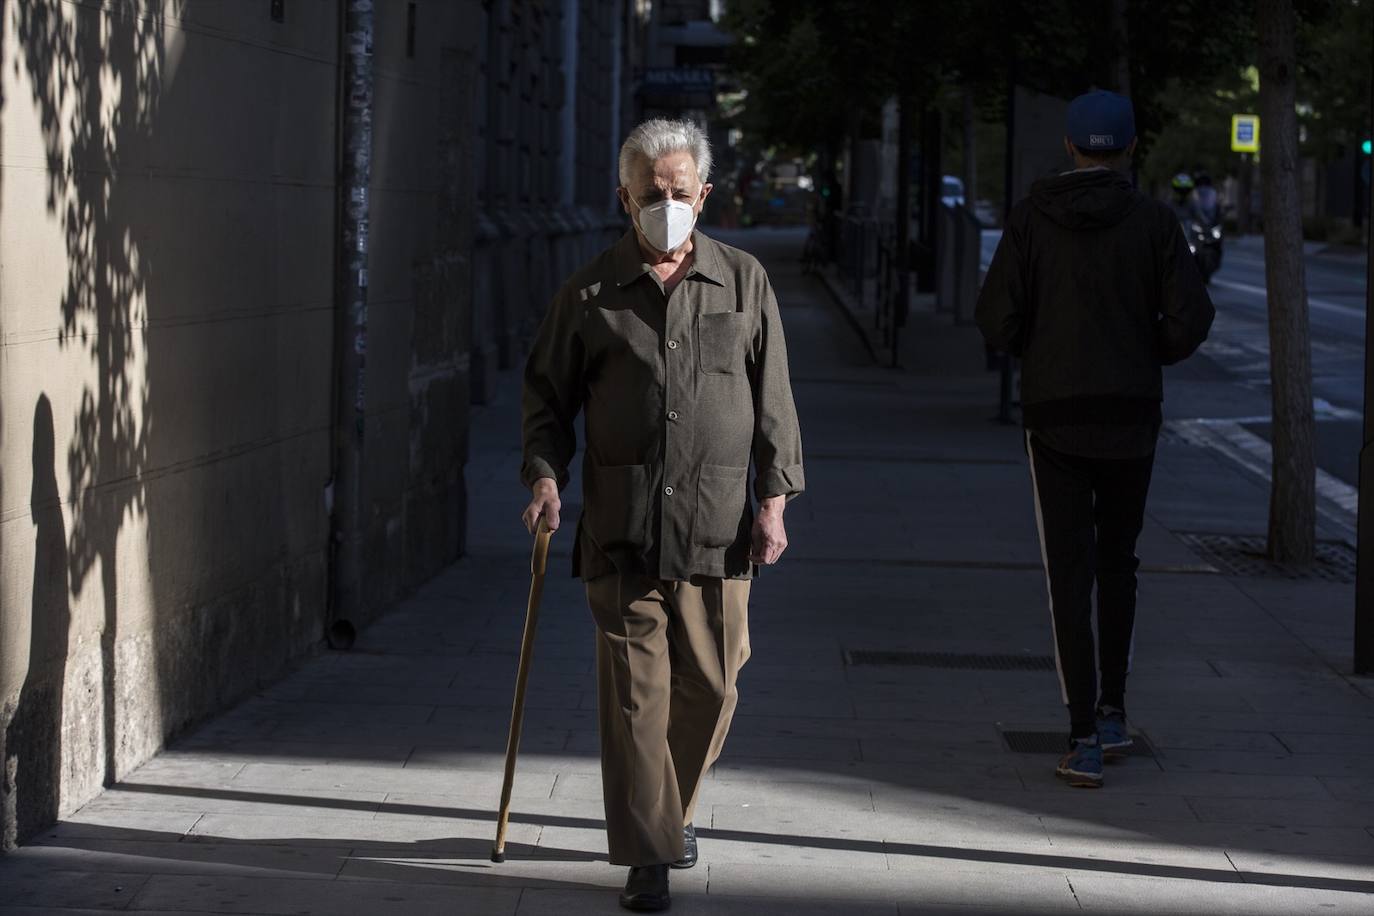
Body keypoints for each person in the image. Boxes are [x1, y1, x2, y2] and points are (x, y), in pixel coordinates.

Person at [520, 118, 805, 910]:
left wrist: (774, 499)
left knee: (713, 690)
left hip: (718, 527)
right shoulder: (589, 292)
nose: (667, 205)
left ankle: (666, 814)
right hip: (622, 525)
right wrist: (545, 475)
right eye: (653, 194)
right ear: (625, 197)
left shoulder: (744, 281)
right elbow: (546, 398)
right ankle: (649, 858)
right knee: (639, 698)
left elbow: (773, 398)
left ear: (704, 193)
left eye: (681, 192)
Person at [975, 90, 1215, 789]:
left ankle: (1080, 734)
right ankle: (1113, 709)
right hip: (1131, 412)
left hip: (1055, 413)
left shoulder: (1032, 221)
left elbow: (997, 318)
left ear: (1073, 147)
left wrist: (1039, 352)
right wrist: (1149, 353)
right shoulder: (1155, 222)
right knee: (1121, 563)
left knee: (1068, 574)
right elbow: (1191, 317)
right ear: (1131, 148)